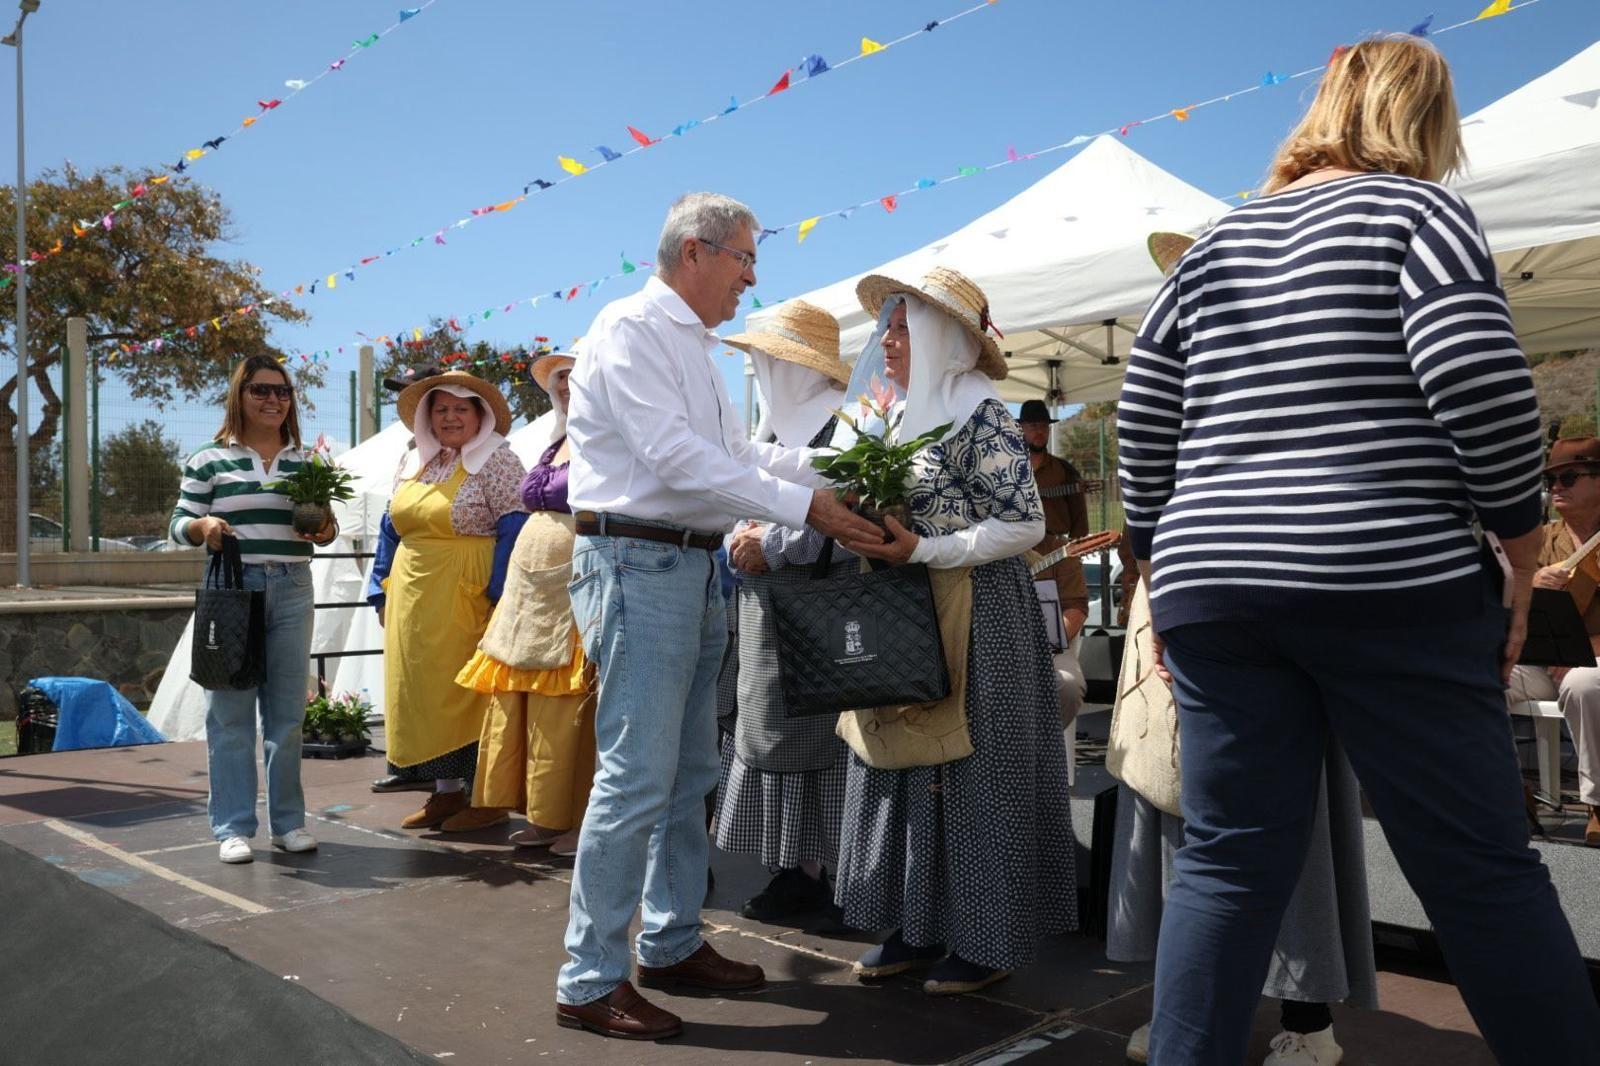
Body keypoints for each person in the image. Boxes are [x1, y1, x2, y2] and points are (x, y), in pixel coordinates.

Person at [1116, 34, 1599, 1065]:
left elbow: (1142, 414)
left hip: (1214, 582)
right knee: (1475, 865)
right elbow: (1473, 378)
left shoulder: (1213, 244)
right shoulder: (1416, 213)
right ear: (1422, 119)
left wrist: (1159, 565)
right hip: (1384, 573)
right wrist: (1519, 546)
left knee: (1228, 862)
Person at [554, 192, 882, 1041]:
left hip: (683, 565)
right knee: (636, 776)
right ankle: (589, 978)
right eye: (743, 257)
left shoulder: (690, 346)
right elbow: (675, 457)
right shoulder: (629, 328)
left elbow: (735, 455)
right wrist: (808, 508)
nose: (752, 275)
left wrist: (824, 482)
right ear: (694, 252)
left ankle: (668, 943)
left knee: (689, 770)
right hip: (637, 562)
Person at [837, 267, 1078, 996]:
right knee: (906, 760)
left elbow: (1026, 525)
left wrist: (926, 548)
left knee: (973, 771)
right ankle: (915, 925)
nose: (889, 342)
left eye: (904, 329)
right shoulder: (891, 415)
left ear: (943, 336)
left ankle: (988, 938)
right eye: (889, 329)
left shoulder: (978, 410)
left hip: (979, 609)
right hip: (909, 603)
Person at [717, 300, 855, 921]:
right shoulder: (773, 430)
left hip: (819, 610)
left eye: (774, 359)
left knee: (818, 738)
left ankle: (822, 871)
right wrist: (737, 538)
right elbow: (739, 502)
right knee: (771, 728)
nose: (766, 370)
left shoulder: (844, 429)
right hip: (770, 608)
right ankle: (794, 865)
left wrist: (765, 543)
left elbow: (847, 515)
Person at [170, 355, 337, 864]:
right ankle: (233, 827)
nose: (273, 400)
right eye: (262, 390)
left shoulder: (310, 463)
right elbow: (178, 525)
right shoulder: (208, 460)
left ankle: (288, 824)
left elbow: (326, 530)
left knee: (287, 716)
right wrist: (204, 528)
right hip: (232, 590)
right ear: (240, 395)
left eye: (282, 392)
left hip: (292, 587)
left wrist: (323, 530)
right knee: (231, 716)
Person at [366, 370, 528, 832]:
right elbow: (389, 528)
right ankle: (446, 794)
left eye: (461, 408)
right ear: (427, 417)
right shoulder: (414, 460)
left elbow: (514, 528)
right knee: (421, 692)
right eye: (441, 409)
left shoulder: (499, 461)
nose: (450, 417)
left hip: (469, 590)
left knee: (469, 693)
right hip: (413, 593)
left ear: (480, 416)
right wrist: (379, 587)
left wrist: (499, 595)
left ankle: (489, 797)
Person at [456, 350, 595, 855]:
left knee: (571, 704)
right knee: (528, 700)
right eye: (559, 380)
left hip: (575, 583)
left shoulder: (608, 435)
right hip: (531, 592)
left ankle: (581, 818)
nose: (565, 386)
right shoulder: (556, 440)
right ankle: (545, 814)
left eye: (576, 377)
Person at [1510, 436, 1600, 846]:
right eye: (1551, 480)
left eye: (1568, 477)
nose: (1556, 487)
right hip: (1545, 662)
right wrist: (1530, 583)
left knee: (1586, 684)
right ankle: (1510, 794)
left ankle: (1598, 804)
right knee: (1481, 675)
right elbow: (1501, 592)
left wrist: (1589, 650)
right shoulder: (1543, 538)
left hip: (1589, 662)